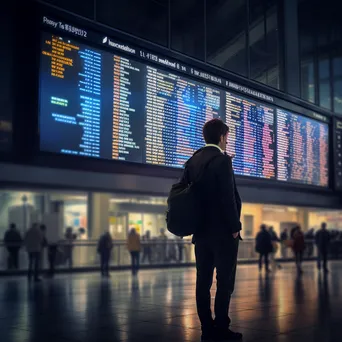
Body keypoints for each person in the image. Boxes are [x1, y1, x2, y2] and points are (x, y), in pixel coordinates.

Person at [181, 119, 242, 341]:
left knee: (203, 281)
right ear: (222, 136)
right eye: (227, 136)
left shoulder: (193, 160)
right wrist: (235, 227)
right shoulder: (222, 161)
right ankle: (222, 329)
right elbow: (227, 198)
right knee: (224, 282)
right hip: (223, 233)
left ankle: (207, 328)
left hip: (201, 233)